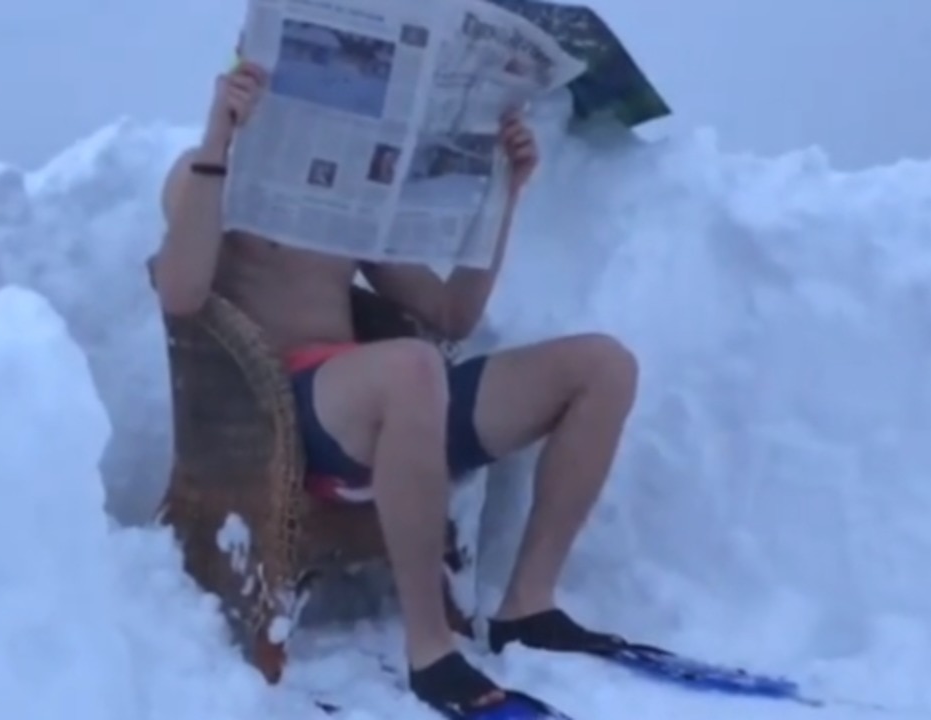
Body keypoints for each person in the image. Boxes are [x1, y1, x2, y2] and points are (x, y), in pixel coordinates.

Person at [154, 59, 639, 717]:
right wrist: (219, 135)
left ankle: (527, 604)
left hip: (387, 402)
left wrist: (505, 193)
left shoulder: (343, 191)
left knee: (601, 365)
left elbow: (450, 315)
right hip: (281, 415)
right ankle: (429, 648)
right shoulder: (200, 170)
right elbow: (180, 294)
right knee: (411, 367)